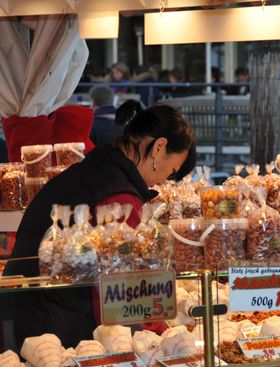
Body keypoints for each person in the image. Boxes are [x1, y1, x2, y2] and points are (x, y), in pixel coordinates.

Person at [3, 100, 196, 348]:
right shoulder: (118, 197)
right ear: (159, 148)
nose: (162, 182)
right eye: (171, 172)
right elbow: (117, 297)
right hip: (56, 333)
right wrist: (156, 334)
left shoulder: (92, 171)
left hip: (26, 319)